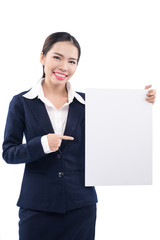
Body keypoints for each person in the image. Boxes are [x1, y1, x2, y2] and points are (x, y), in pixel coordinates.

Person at [2, 32, 156, 240]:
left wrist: (142, 103)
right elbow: (9, 153)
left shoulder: (89, 103)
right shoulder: (21, 102)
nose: (64, 66)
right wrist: (43, 144)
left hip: (80, 207)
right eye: (57, 57)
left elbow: (117, 134)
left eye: (71, 61)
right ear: (42, 57)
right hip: (36, 207)